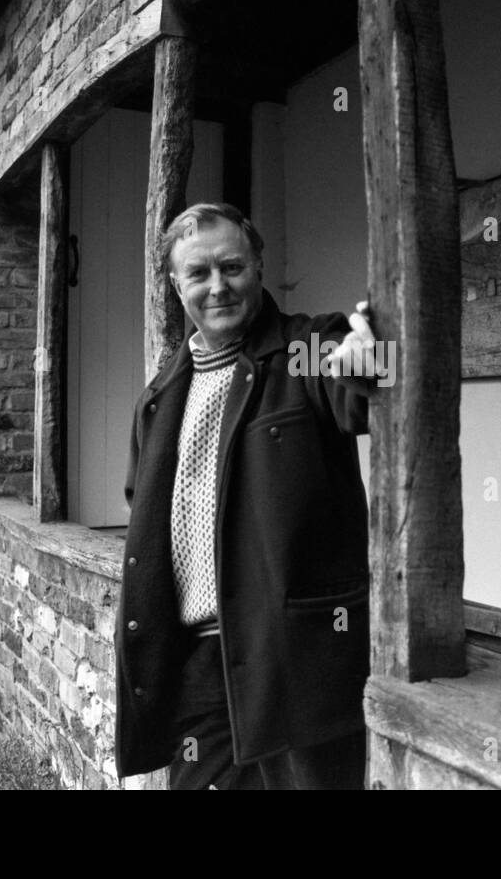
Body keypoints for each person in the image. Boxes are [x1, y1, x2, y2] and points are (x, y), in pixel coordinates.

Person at [114, 202, 381, 789]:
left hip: (294, 667)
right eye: (198, 274)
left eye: (231, 266)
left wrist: (367, 364)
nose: (218, 286)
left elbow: (351, 389)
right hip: (198, 669)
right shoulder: (160, 397)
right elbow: (146, 514)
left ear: (258, 264)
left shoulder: (304, 348)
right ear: (175, 285)